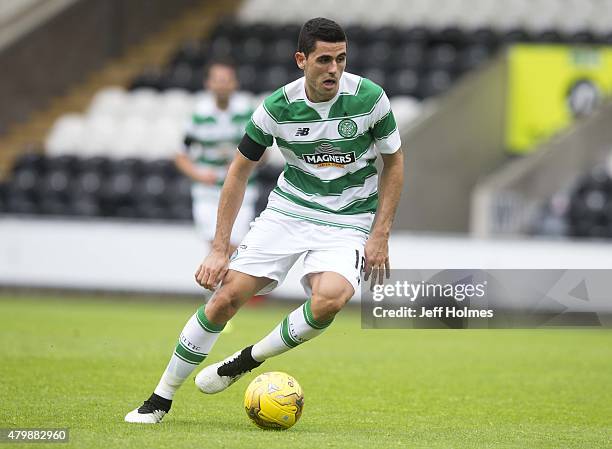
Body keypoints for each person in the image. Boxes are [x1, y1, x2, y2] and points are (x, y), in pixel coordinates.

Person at [125, 17, 404, 424]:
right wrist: (220, 248)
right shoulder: (275, 108)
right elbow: (237, 172)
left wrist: (380, 234)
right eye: (324, 60)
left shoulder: (371, 99)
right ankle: (159, 398)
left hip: (349, 218)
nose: (334, 69)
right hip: (289, 211)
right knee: (224, 299)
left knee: (330, 299)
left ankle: (246, 359)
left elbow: (394, 166)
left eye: (341, 59)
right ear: (301, 60)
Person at [174, 59, 256, 252]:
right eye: (217, 80)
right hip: (208, 192)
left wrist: (240, 166)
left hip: (241, 190)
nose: (222, 84)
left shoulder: (247, 112)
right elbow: (181, 156)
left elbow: (262, 154)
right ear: (208, 83)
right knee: (216, 248)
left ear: (235, 83)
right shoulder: (198, 115)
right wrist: (199, 175)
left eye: (226, 80)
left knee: (234, 248)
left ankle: (226, 283)